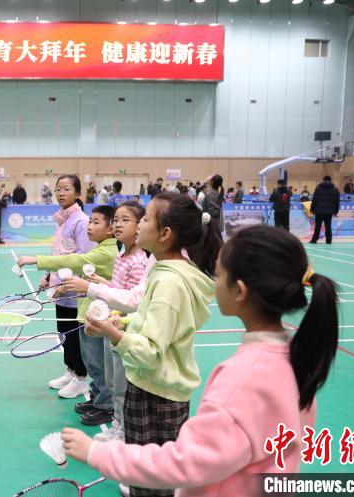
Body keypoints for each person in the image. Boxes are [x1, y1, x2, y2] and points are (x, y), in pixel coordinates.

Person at [62, 225, 338, 497]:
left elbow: (187, 462)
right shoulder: (294, 359)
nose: (213, 281)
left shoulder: (243, 378)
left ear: (240, 291)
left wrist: (98, 453)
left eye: (218, 273)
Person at [73, 192, 221, 497]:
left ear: (165, 234)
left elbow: (151, 351)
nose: (139, 224)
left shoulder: (169, 282)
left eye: (146, 218)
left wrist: (112, 334)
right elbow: (153, 321)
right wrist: (124, 323)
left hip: (156, 394)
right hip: (156, 387)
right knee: (151, 473)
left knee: (152, 479)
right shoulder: (166, 269)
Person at [18, 203, 118, 413]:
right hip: (86, 314)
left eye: (95, 222)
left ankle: (105, 405)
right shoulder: (100, 248)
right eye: (90, 221)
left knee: (98, 364)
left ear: (110, 229)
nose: (89, 226)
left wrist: (35, 260)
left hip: (97, 317)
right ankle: (97, 397)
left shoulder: (106, 252)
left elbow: (74, 259)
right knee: (92, 362)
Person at [62, 201, 148, 442]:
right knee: (112, 381)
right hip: (111, 328)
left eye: (125, 220)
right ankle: (117, 425)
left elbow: (133, 300)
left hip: (123, 331)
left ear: (140, 226)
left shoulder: (139, 261)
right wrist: (104, 283)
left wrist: (95, 290)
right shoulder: (122, 255)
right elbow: (120, 289)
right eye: (116, 220)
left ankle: (124, 432)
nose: (118, 224)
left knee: (121, 386)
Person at [15, 175, 94, 397]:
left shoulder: (81, 221)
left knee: (75, 336)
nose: (61, 193)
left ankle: (81, 378)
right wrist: (49, 277)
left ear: (77, 193)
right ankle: (71, 370)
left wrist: (67, 284)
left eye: (66, 189)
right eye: (58, 189)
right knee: (64, 333)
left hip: (73, 291)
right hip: (59, 289)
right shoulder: (63, 219)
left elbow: (84, 259)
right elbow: (59, 254)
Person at [309, 175, 340, 245]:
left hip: (319, 210)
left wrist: (312, 209)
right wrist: (336, 211)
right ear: (330, 180)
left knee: (318, 226)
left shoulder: (318, 188)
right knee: (328, 226)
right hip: (329, 211)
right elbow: (337, 201)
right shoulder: (335, 189)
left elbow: (314, 200)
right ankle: (329, 240)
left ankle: (314, 240)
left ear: (323, 180)